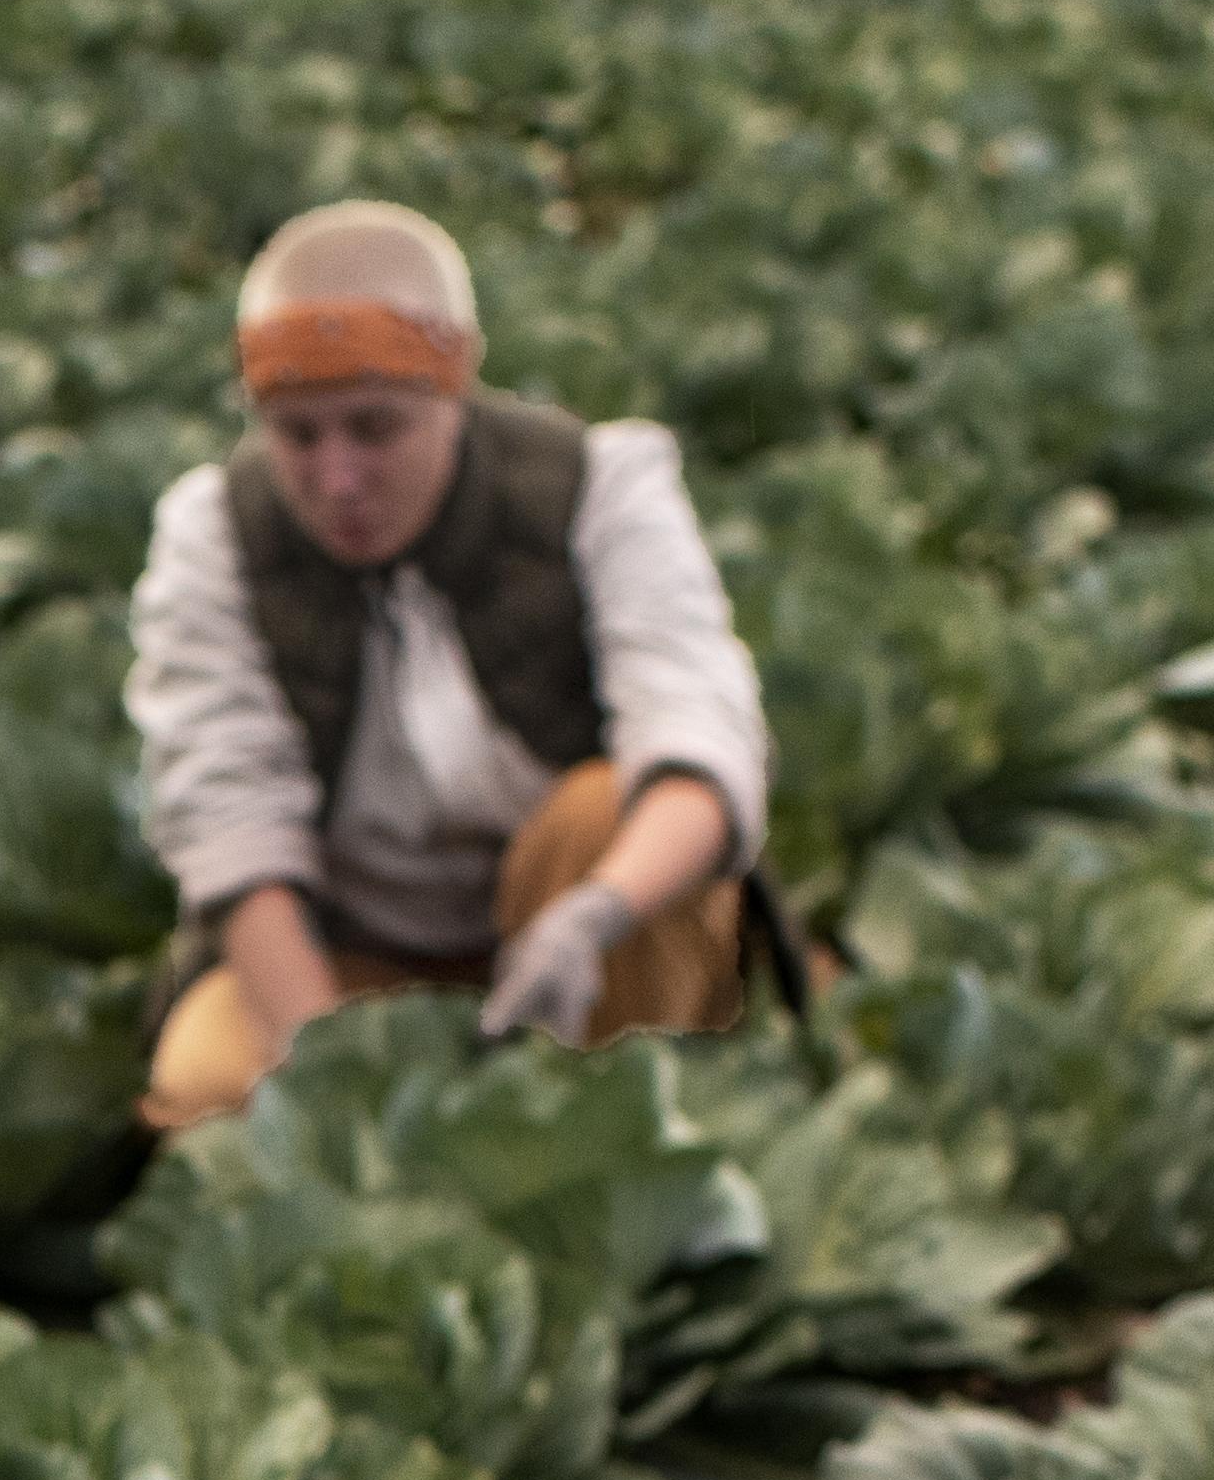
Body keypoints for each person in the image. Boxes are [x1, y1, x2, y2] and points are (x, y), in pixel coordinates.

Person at [122, 199, 791, 1132]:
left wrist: (591, 918)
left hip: (586, 923)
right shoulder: (215, 536)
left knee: (604, 812)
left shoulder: (597, 488)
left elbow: (699, 739)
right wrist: (338, 1091)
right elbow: (232, 824)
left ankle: (623, 1113)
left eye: (375, 428)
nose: (336, 478)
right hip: (358, 949)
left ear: (454, 393)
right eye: (296, 435)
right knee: (210, 1079)